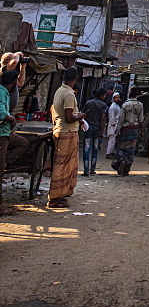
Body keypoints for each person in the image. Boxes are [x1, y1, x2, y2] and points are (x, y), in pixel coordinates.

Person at [48, 68, 85, 209]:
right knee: (62, 166)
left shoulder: (60, 91)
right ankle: (54, 198)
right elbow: (69, 117)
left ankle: (59, 195)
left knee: (65, 165)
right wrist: (80, 116)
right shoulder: (69, 94)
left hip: (62, 129)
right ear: (75, 78)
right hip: (66, 131)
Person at [112, 87, 144, 176]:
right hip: (135, 129)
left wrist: (117, 131)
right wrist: (141, 131)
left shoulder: (125, 105)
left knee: (121, 147)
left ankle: (122, 160)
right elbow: (141, 120)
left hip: (125, 129)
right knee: (131, 149)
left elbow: (121, 120)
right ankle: (126, 168)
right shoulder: (140, 105)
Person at [82, 87, 108, 176]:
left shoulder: (88, 103)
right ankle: (92, 169)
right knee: (95, 149)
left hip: (88, 128)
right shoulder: (103, 105)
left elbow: (83, 115)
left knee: (86, 148)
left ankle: (86, 170)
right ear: (101, 95)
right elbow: (103, 119)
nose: (105, 97)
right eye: (104, 95)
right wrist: (102, 130)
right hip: (97, 129)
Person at [0, 75, 16, 215]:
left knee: (22, 143)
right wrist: (11, 118)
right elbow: (2, 114)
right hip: (1, 134)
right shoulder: (2, 92)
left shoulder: (4, 92)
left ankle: (6, 162)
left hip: (5, 132)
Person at [106, 93, 123, 157]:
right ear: (113, 98)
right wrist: (113, 123)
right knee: (112, 140)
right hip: (113, 125)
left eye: (118, 97)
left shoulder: (117, 106)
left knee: (114, 140)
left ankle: (112, 152)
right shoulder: (113, 107)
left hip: (116, 124)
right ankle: (109, 153)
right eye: (116, 97)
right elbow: (111, 116)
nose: (118, 99)